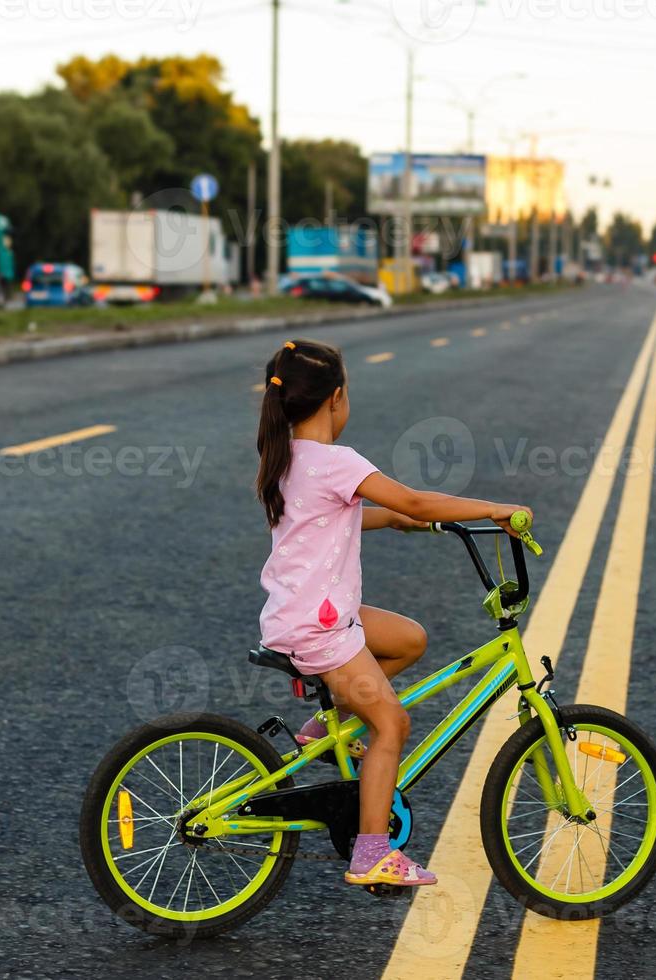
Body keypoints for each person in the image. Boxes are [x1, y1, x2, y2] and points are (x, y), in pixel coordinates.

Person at [255, 338, 531, 889]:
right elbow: (417, 499)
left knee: (408, 639)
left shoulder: (286, 459)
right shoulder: (337, 462)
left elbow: (340, 518)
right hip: (322, 628)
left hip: (303, 614)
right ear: (336, 399)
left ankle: (318, 731)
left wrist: (398, 521)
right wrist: (495, 508)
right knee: (392, 723)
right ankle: (372, 852)